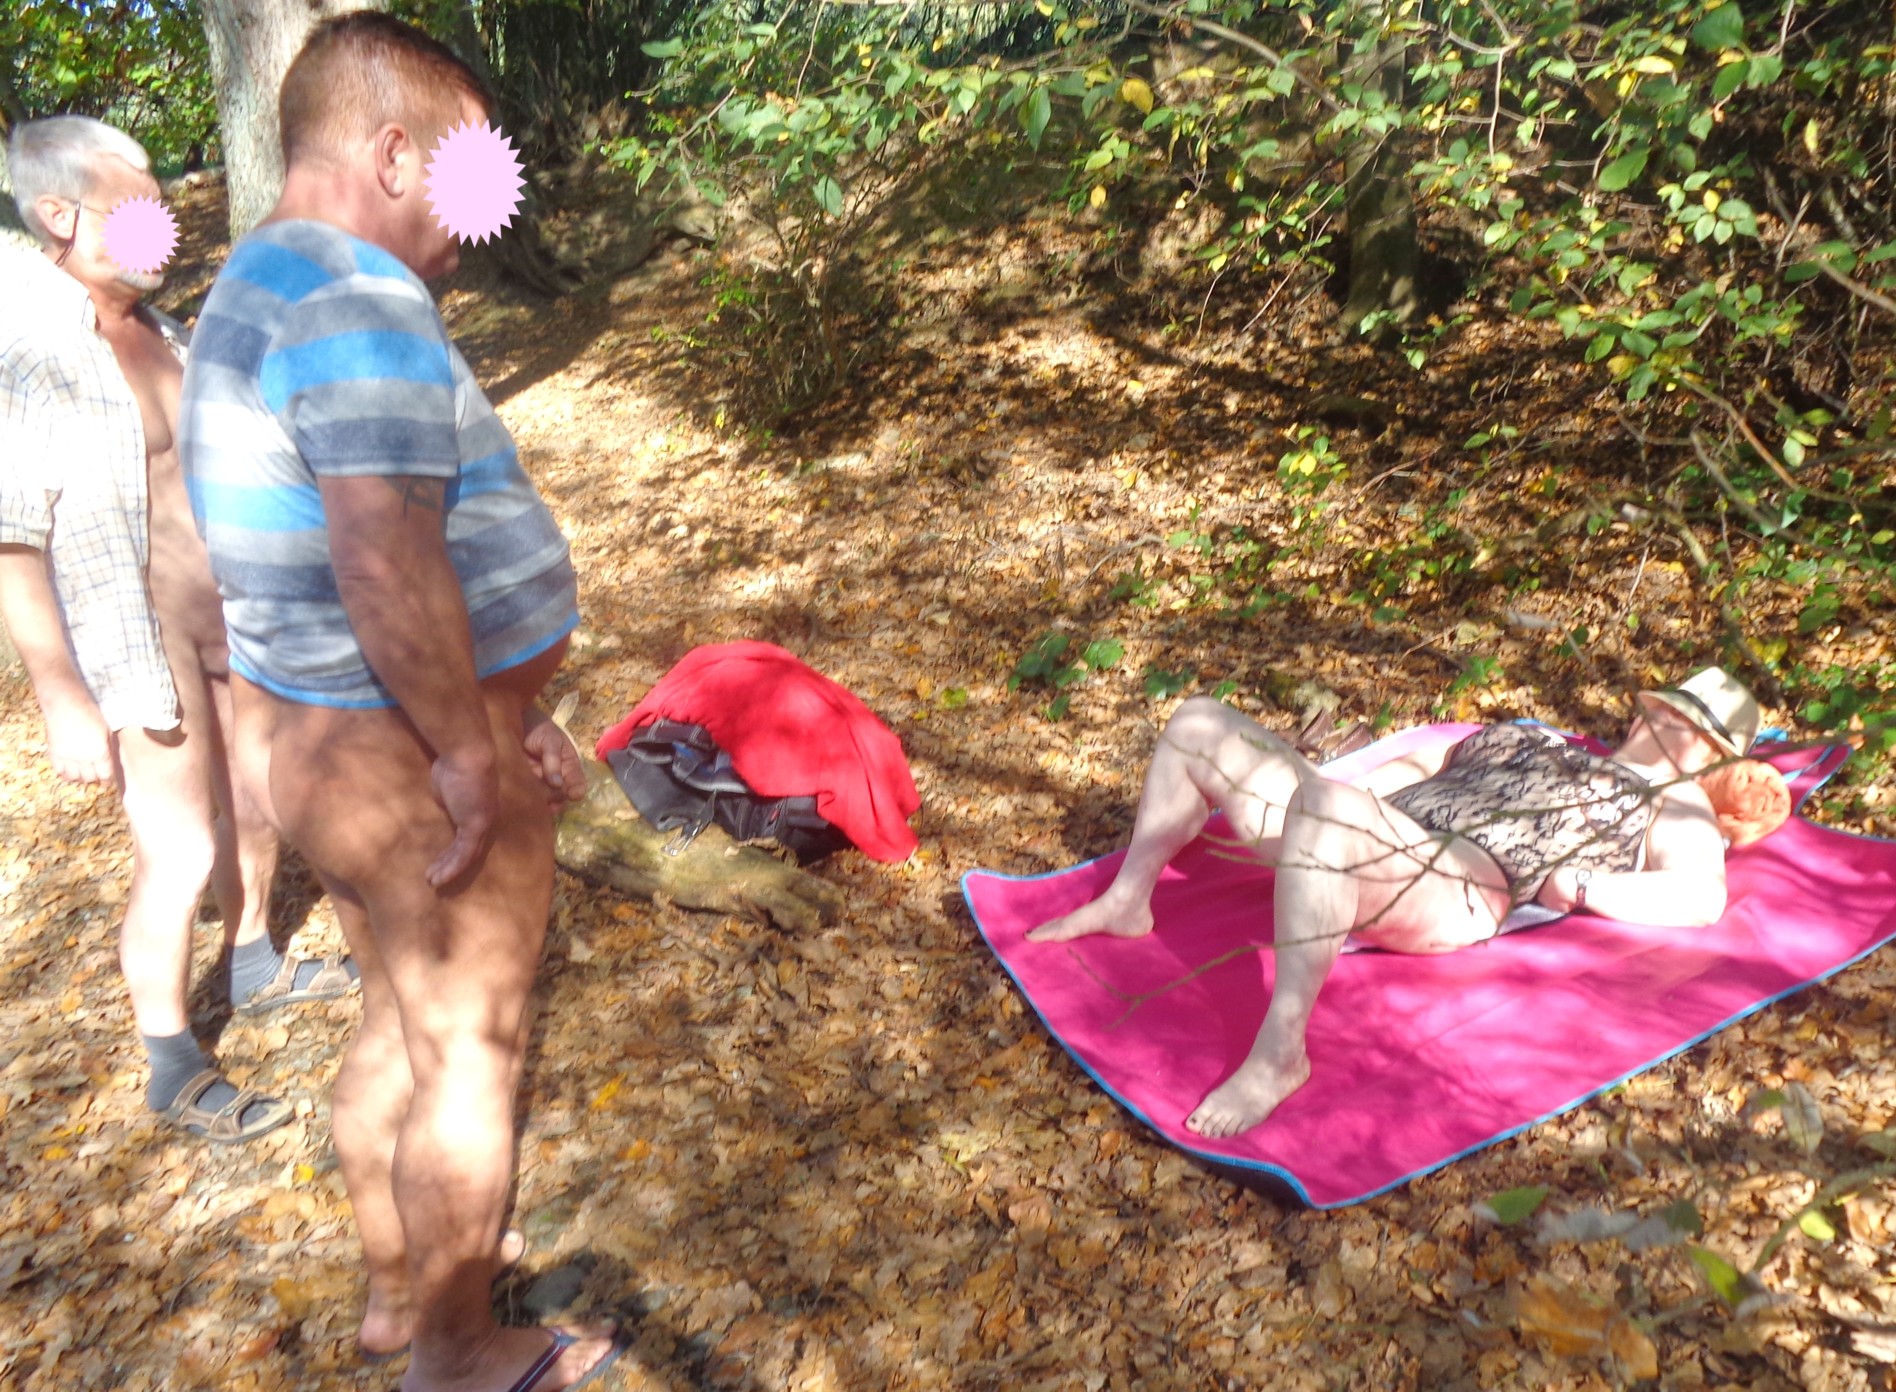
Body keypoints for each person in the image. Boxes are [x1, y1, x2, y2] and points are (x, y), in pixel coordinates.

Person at [178, 14, 621, 1391]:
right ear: (390, 154)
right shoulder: (354, 295)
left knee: (400, 1027)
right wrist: (469, 751)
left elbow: (307, 559)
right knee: (471, 1053)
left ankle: (396, 1296)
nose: (472, 235)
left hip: (324, 739)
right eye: (465, 181)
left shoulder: (249, 285)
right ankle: (458, 1349)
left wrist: (509, 703)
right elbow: (381, 561)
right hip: (402, 750)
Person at [0, 116, 357, 1146]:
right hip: (134, 638)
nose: (161, 214)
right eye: (138, 196)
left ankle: (254, 961)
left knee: (257, 801)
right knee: (180, 845)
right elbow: (12, 538)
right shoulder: (32, 351)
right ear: (59, 213)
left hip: (232, 617)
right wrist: (61, 698)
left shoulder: (159, 328)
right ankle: (171, 1061)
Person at [1029, 667, 1761, 1139]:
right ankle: (1130, 898)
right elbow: (1418, 763)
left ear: (1713, 753)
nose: (1659, 722)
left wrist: (1587, 887)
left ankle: (1281, 1052)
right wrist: (1328, 800)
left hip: (1458, 882)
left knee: (1328, 806)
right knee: (1199, 722)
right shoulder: (1541, 738)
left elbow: (1701, 896)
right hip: (1369, 828)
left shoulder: (1676, 805)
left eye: (1684, 724)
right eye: (1662, 708)